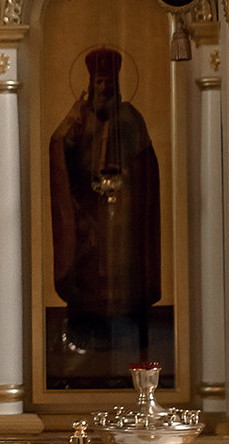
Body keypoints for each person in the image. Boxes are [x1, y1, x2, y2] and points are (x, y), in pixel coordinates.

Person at [47, 47, 161, 357]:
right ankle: (85, 326)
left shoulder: (130, 117)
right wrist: (71, 129)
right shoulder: (80, 117)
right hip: (86, 207)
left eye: (108, 81)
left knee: (120, 265)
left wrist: (128, 179)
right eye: (97, 82)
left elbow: (147, 166)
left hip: (123, 212)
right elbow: (58, 146)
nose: (103, 88)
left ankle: (122, 325)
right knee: (88, 266)